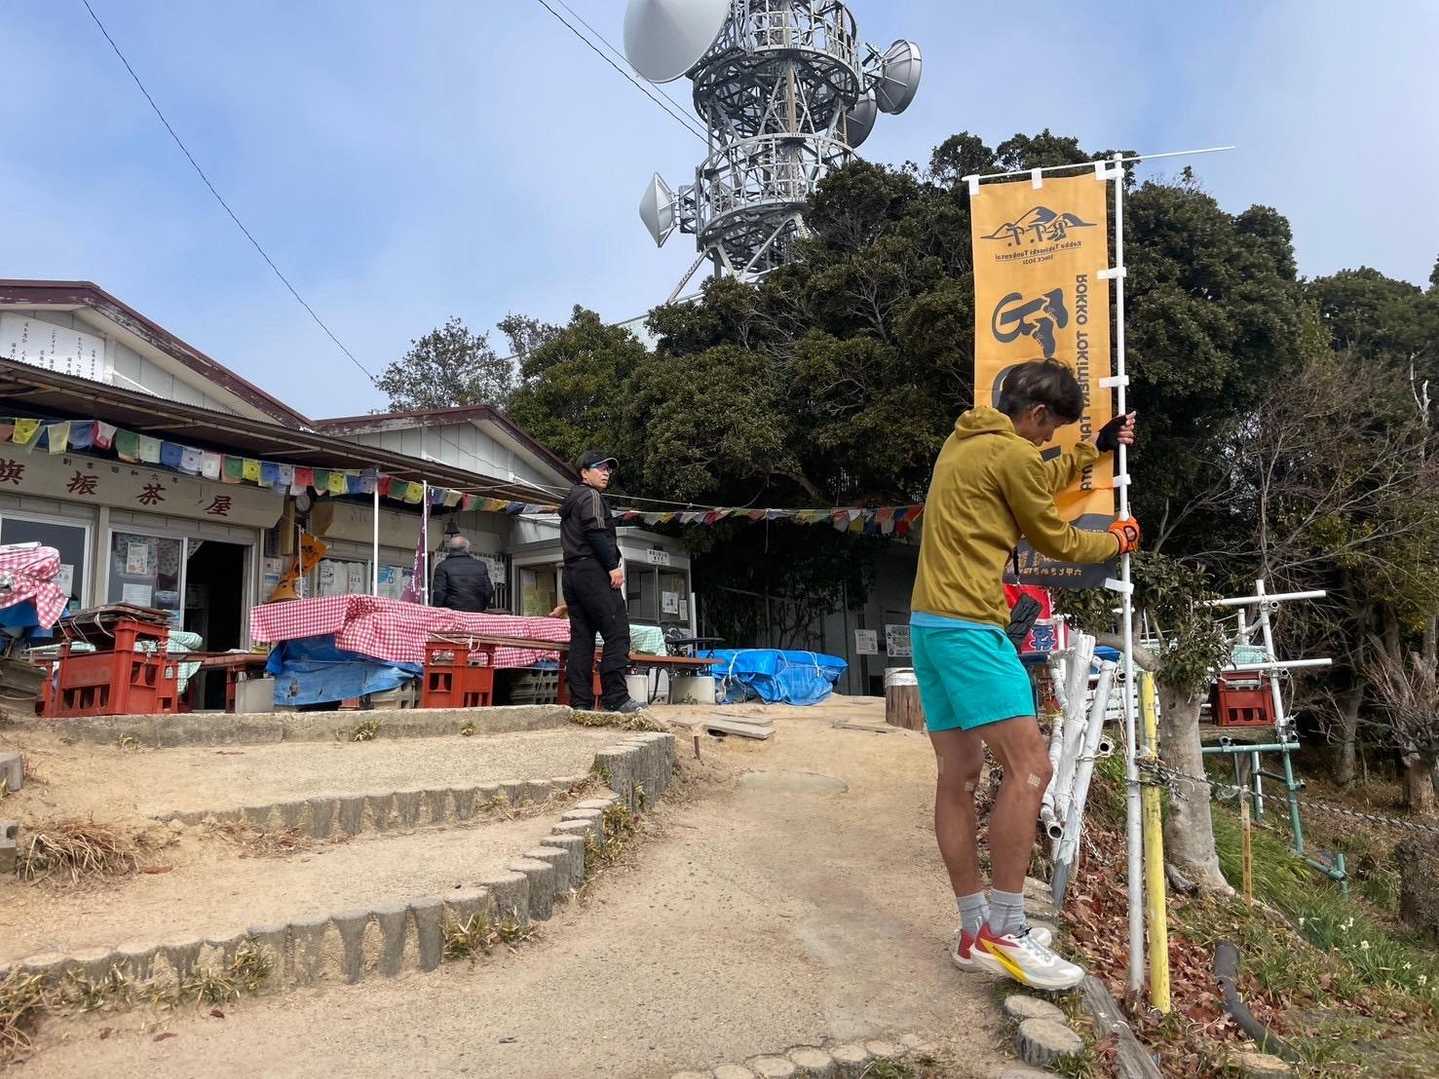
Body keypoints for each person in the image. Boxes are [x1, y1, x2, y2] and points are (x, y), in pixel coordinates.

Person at [911, 359, 1139, 992]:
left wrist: (1092, 452)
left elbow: (1031, 474)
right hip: (971, 627)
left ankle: (974, 930)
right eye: (1050, 430)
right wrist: (1116, 540)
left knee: (958, 776)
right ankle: (1008, 931)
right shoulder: (1012, 454)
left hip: (929, 625)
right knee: (1031, 767)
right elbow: (1056, 538)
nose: (1048, 441)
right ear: (1037, 414)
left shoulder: (964, 442)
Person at [559, 451, 644, 714]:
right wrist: (611, 566)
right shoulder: (591, 496)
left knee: (582, 638)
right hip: (593, 570)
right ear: (584, 472)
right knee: (617, 632)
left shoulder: (571, 499)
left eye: (609, 469)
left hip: (571, 572)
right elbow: (595, 531)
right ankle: (616, 697)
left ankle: (581, 703)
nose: (606, 473)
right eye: (600, 468)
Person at [430, 534, 494, 613]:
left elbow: (439, 593)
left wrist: (438, 611)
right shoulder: (481, 566)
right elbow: (488, 590)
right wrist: (482, 606)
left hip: (451, 613)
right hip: (476, 612)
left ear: (449, 549)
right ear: (467, 549)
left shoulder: (442, 566)